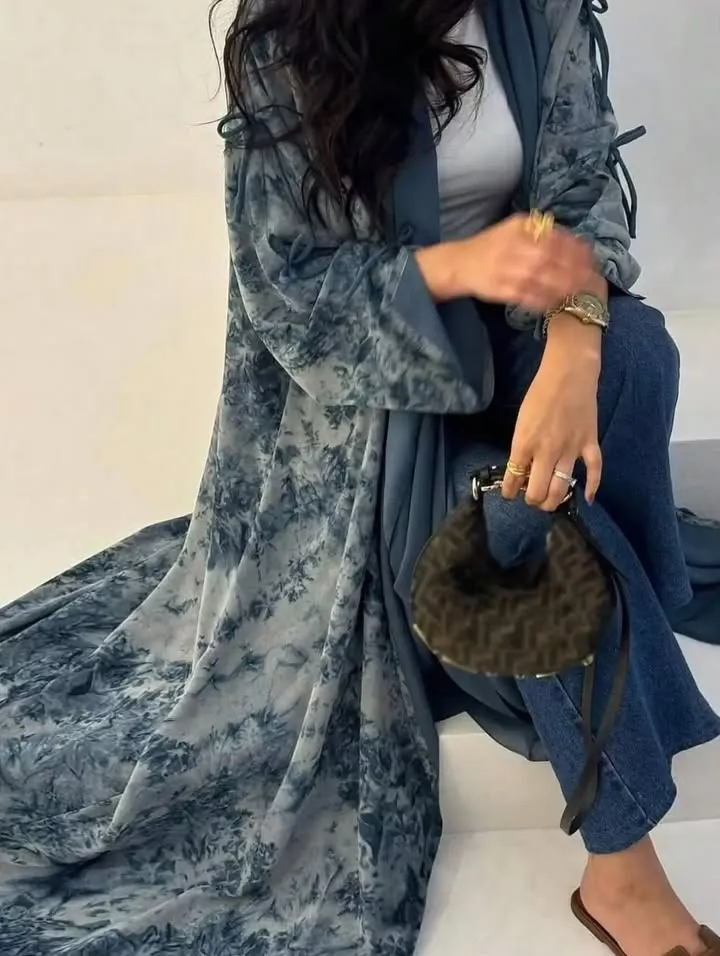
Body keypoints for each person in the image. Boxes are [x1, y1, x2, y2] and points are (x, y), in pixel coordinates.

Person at [0, 0, 719, 953]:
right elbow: (286, 290)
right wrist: (460, 265)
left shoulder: (535, 10)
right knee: (518, 530)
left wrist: (573, 348)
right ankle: (623, 872)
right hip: (370, 411)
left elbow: (583, 190)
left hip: (520, 334)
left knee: (636, 351)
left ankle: (588, 594)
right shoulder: (290, 35)